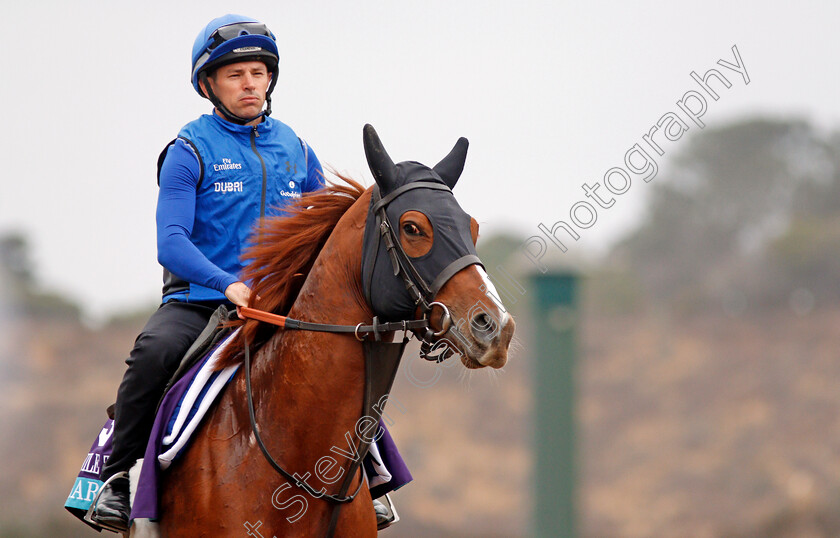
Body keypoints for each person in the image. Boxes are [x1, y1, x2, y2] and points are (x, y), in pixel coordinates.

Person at [93, 14, 326, 531]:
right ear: (208, 85)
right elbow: (170, 243)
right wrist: (227, 283)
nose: (250, 84)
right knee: (152, 354)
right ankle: (115, 477)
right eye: (235, 74)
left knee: (344, 354)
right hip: (201, 303)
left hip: (278, 306)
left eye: (259, 73)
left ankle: (371, 473)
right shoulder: (188, 150)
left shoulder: (298, 149)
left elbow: (325, 227)